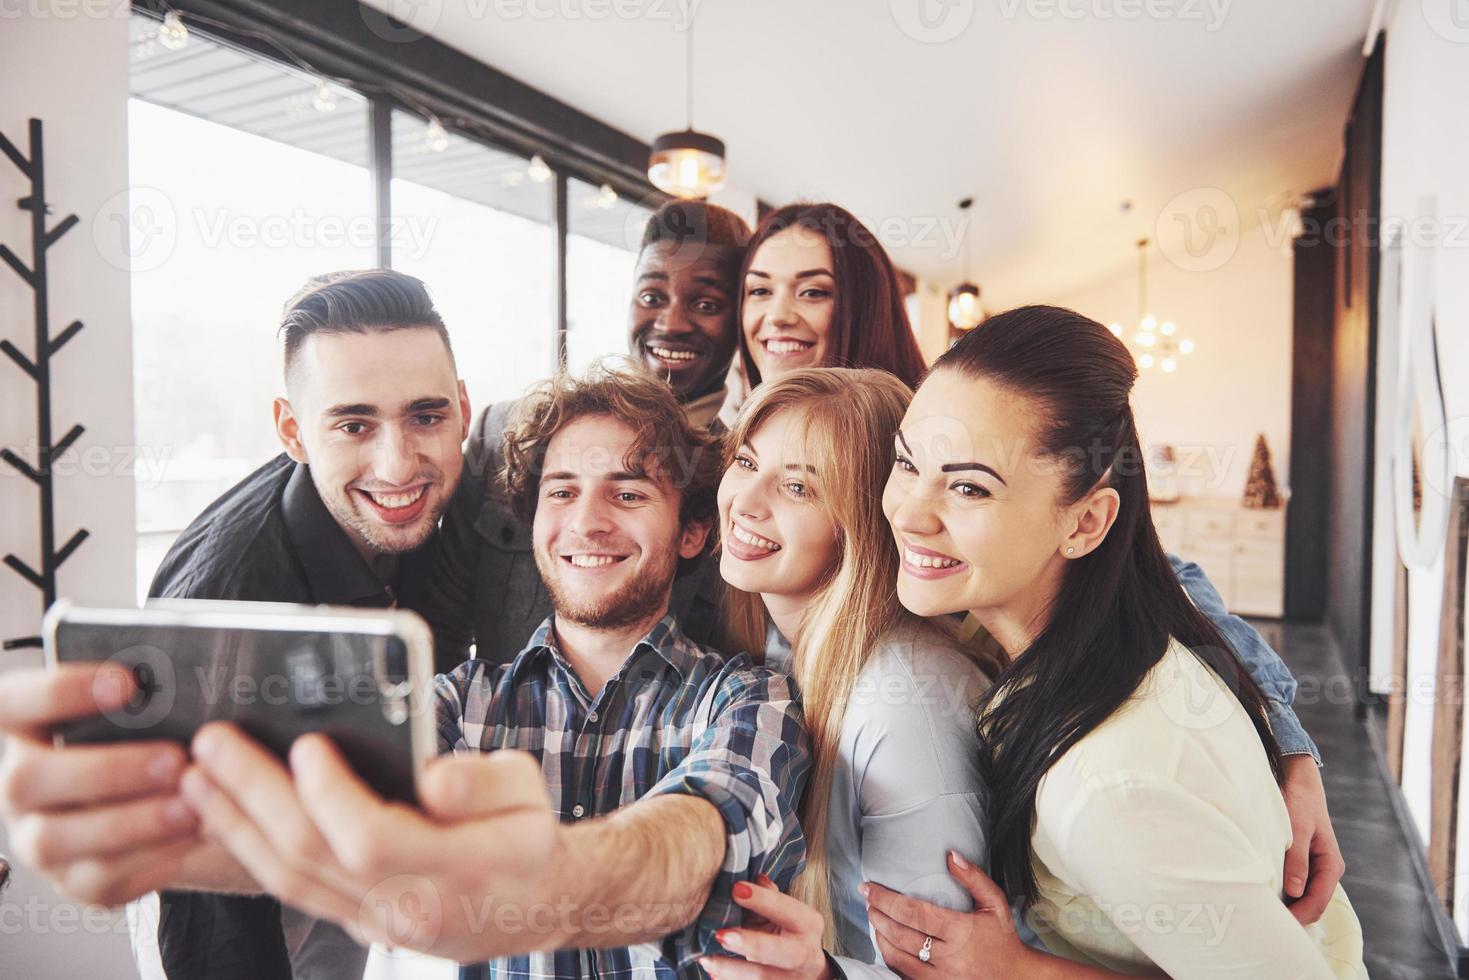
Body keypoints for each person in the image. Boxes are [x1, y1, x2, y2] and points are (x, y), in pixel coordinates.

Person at [33, 362, 807, 979]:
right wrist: (145, 829)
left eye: (628, 493)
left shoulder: (748, 700)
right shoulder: (453, 706)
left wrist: (534, 889)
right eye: (561, 491)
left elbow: (691, 845)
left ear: (693, 532)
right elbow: (306, 815)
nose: (586, 521)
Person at [863, 306, 1365, 977]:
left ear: (1086, 521)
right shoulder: (1084, 631)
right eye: (905, 462)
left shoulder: (1110, 785)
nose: (910, 511)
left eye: (967, 486)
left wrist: (1017, 970)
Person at [0, 269, 472, 980]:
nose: (397, 463)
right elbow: (202, 915)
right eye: (353, 424)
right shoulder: (231, 593)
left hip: (336, 833)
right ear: (293, 431)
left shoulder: (429, 505)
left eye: (425, 417)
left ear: (462, 410)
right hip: (225, 893)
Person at [697, 369, 994, 980]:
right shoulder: (778, 652)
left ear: (862, 521)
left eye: (800, 488)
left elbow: (941, 967)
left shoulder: (905, 698)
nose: (747, 502)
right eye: (748, 462)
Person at [418, 199, 751, 668]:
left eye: (707, 304)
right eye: (652, 297)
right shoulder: (502, 437)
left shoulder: (739, 484)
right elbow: (438, 627)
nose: (672, 323)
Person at [737, 203, 927, 392]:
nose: (777, 316)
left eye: (812, 292)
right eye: (760, 291)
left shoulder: (925, 420)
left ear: (867, 311)